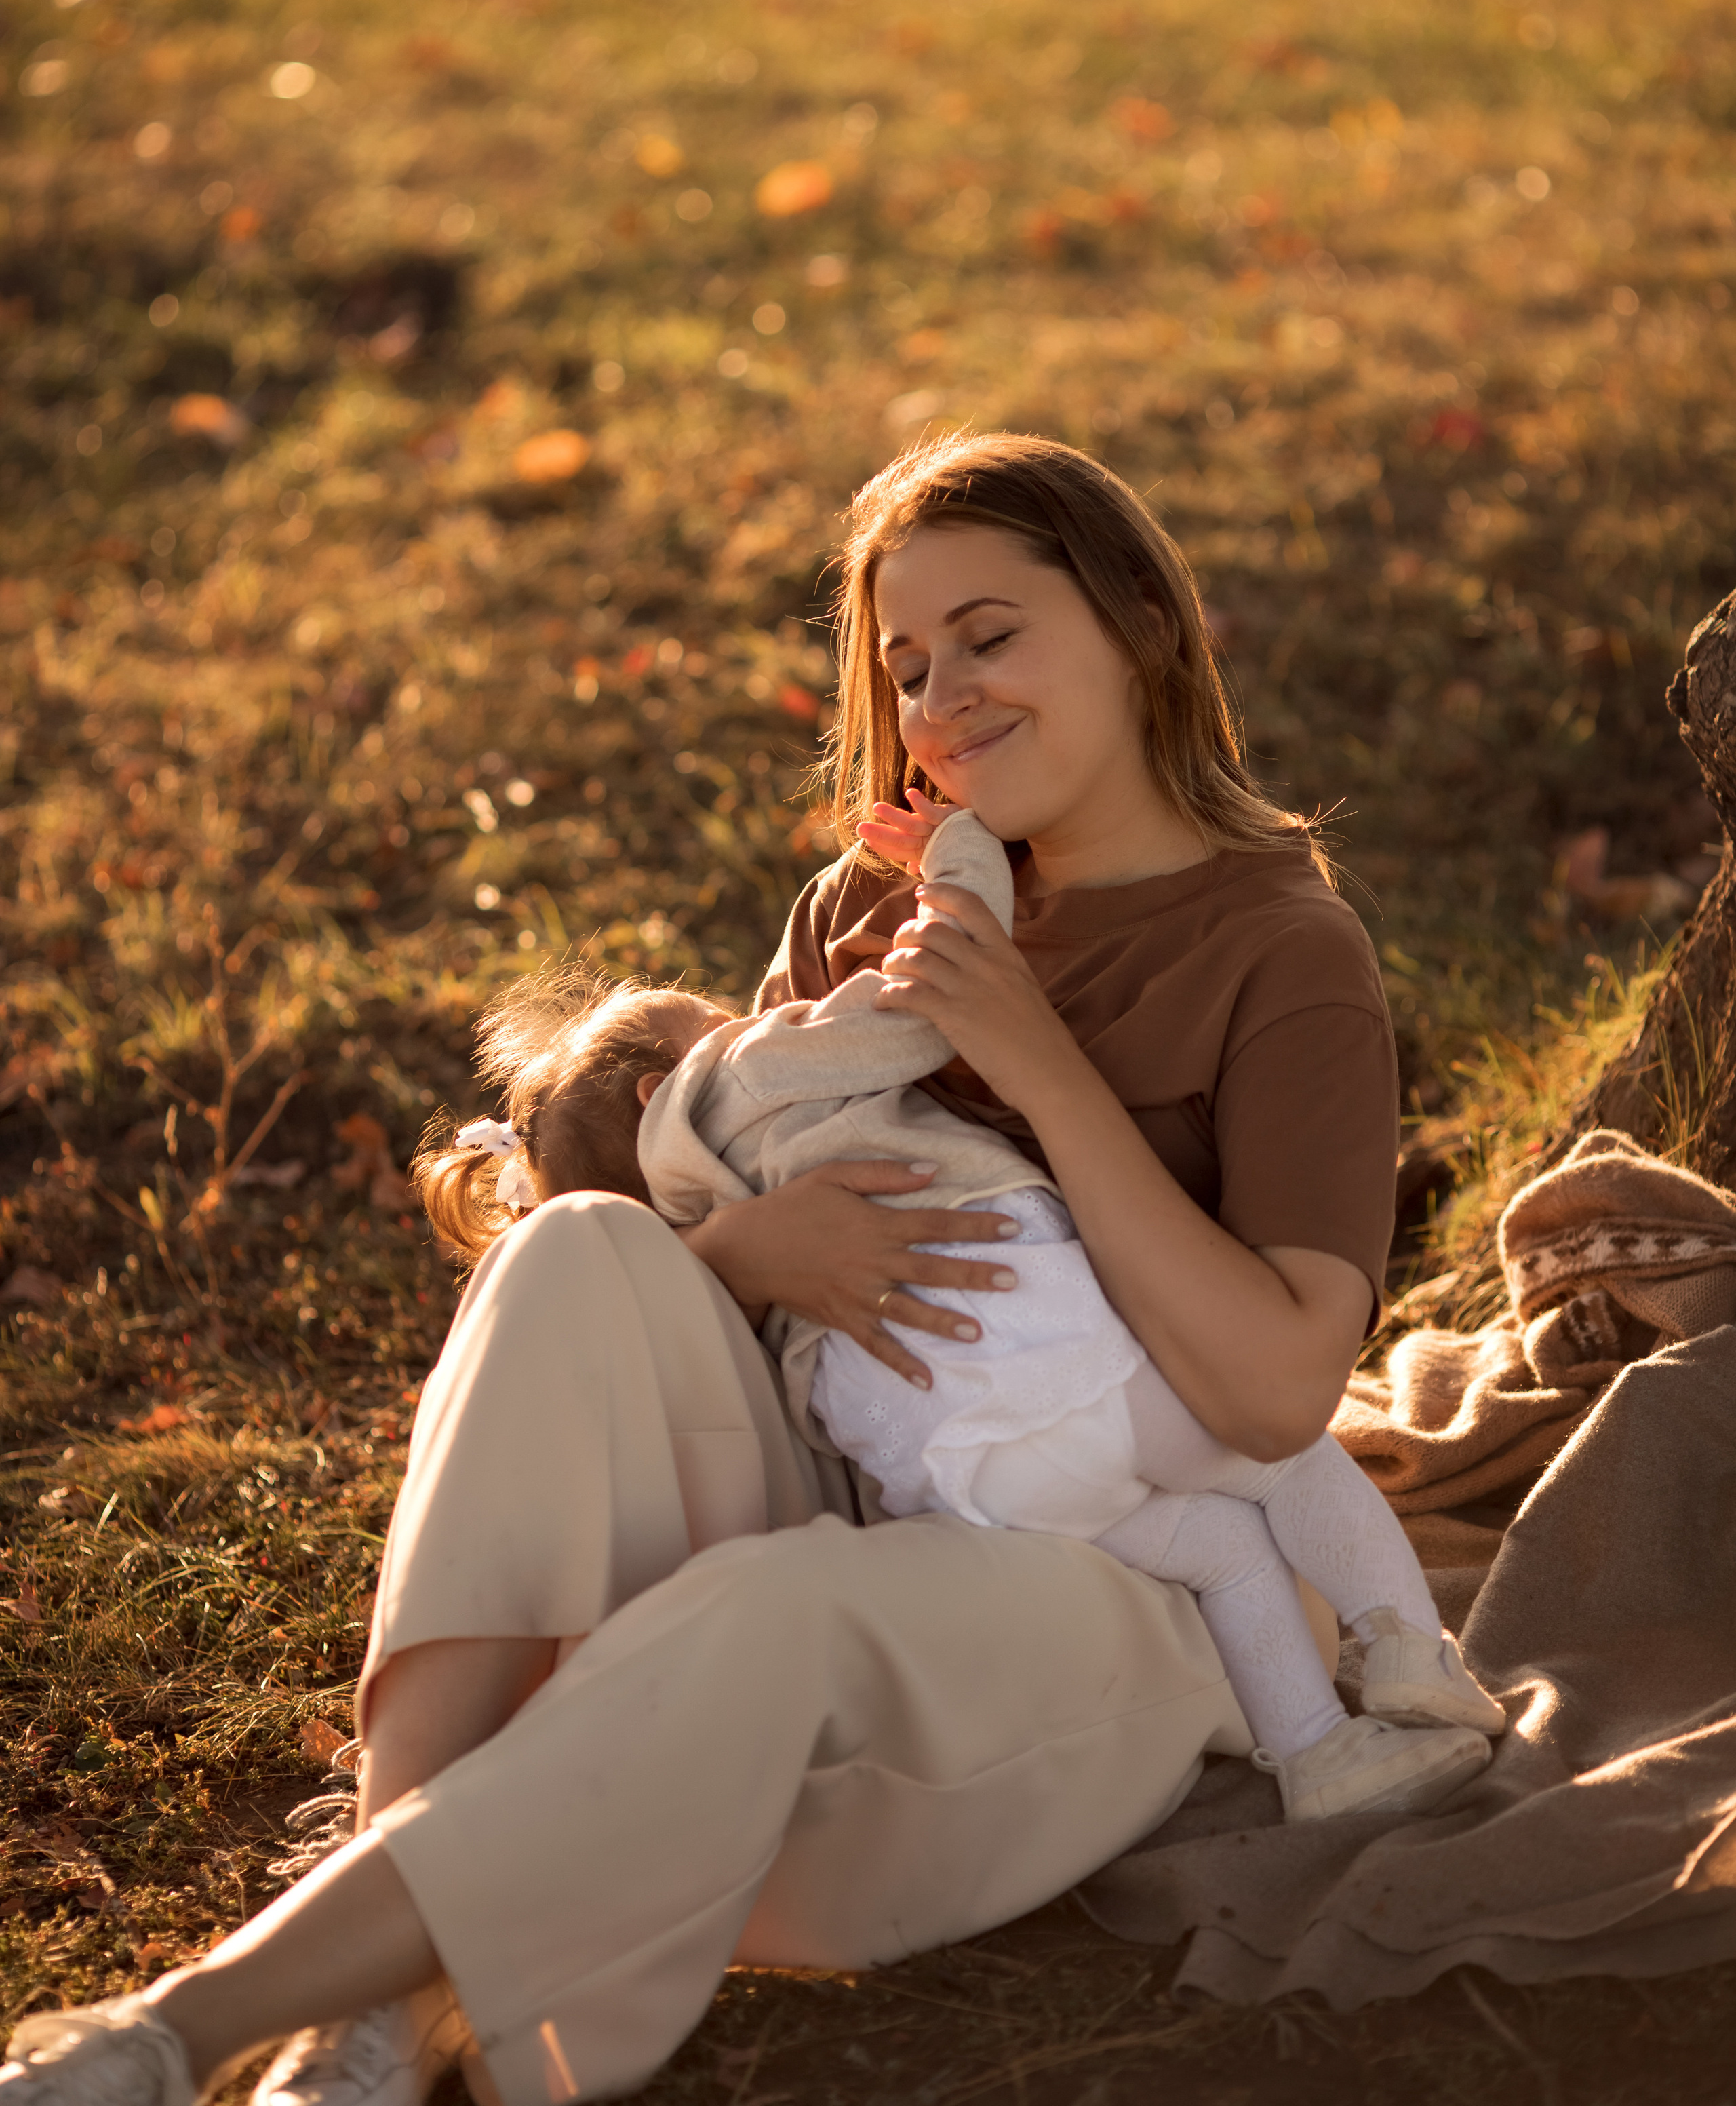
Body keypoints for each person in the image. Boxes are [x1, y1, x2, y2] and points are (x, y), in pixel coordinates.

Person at [3, 433, 1497, 2106]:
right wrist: (741, 1252)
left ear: (1143, 619)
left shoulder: (1278, 949)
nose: (940, 701)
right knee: (575, 1247)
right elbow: (735, 1152)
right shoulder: (865, 903)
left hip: (1121, 1578)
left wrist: (1042, 1064)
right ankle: (381, 1967)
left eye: (989, 636)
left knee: (767, 1609)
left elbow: (1280, 1388)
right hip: (857, 1464)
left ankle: (177, 2035)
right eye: (907, 667)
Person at [415, 808, 1501, 1815]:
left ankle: (1318, 1755)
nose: (750, 1013)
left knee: (1219, 1549)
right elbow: (911, 1023)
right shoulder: (746, 1075)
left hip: (956, 1481)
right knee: (1283, 1464)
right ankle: (1414, 1655)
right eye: (710, 1017)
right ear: (665, 1084)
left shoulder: (695, 1208)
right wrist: (962, 858)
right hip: (1040, 1375)